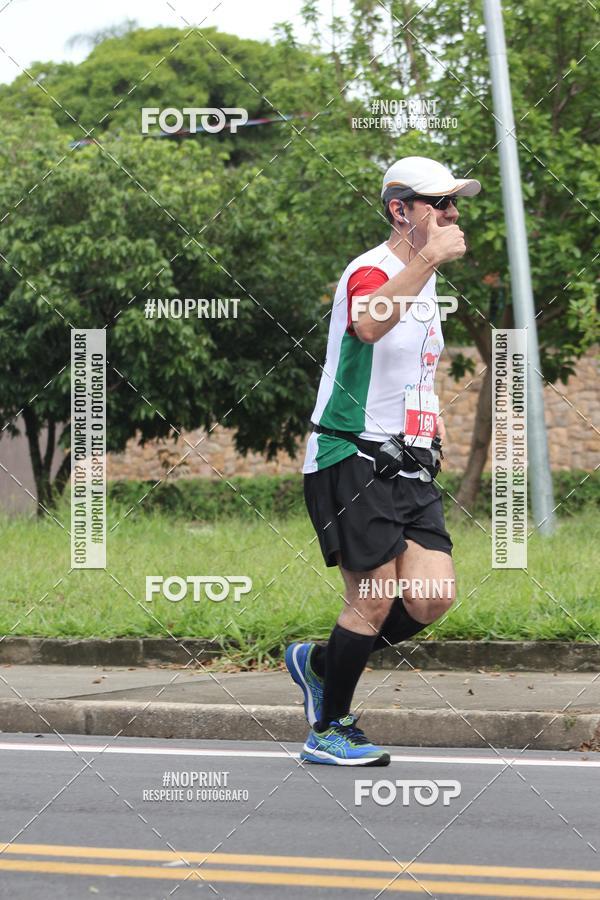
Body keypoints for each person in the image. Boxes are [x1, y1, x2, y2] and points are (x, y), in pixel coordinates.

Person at [285, 156, 481, 766]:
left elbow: (411, 365)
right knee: (372, 595)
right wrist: (428, 260)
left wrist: (429, 416)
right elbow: (369, 328)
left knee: (430, 596)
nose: (451, 214)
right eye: (438, 203)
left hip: (408, 458)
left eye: (455, 203)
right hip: (350, 455)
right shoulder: (370, 271)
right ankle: (330, 728)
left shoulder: (426, 285)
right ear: (401, 210)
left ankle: (320, 663)